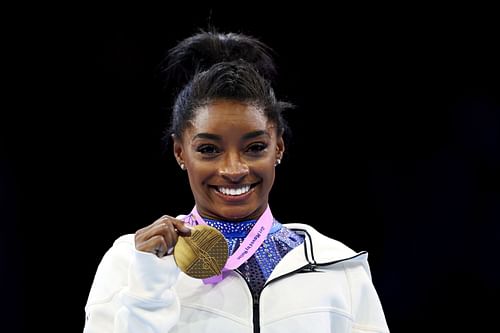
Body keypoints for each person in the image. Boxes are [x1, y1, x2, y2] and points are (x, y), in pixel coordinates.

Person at [83, 29, 389, 333]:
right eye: (209, 150)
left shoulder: (339, 268)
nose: (233, 169)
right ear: (180, 152)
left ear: (278, 147)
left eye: (255, 147)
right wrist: (148, 289)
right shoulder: (131, 262)